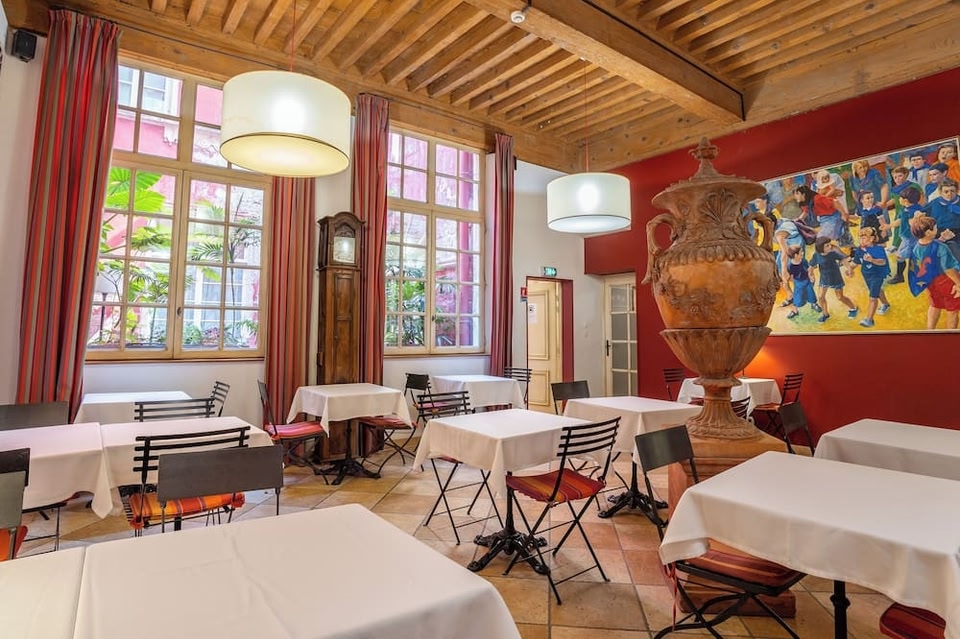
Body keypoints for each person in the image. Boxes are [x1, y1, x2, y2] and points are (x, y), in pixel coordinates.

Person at [908, 215, 960, 330]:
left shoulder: (916, 247)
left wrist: (941, 239)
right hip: (946, 281)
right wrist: (958, 283)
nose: (937, 229)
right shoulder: (942, 248)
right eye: (935, 228)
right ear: (928, 232)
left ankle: (929, 331)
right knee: (952, 310)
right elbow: (948, 269)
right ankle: (950, 336)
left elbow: (928, 254)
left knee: (935, 305)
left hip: (930, 282)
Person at [847, 226, 891, 328]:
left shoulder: (878, 249)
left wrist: (872, 260)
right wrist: (850, 269)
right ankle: (886, 304)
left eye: (863, 238)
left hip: (877, 275)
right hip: (867, 275)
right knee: (877, 291)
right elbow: (856, 262)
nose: (861, 241)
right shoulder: (860, 250)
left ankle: (869, 320)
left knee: (872, 298)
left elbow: (883, 262)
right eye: (860, 238)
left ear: (871, 239)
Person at [809, 236, 857, 323]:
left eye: (830, 244)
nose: (830, 246)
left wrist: (849, 269)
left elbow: (843, 260)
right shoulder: (816, 255)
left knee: (840, 297)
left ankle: (853, 308)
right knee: (820, 296)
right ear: (821, 248)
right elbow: (811, 265)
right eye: (827, 245)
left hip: (835, 278)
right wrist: (811, 274)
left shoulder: (833, 254)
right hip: (824, 278)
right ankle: (825, 314)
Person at [889, 185, 925, 284]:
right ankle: (915, 276)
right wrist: (889, 226)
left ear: (905, 200)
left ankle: (900, 276)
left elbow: (913, 222)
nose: (899, 199)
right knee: (914, 256)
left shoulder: (915, 211)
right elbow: (900, 220)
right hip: (907, 237)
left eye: (900, 198)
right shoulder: (905, 208)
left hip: (910, 238)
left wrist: (914, 220)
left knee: (901, 256)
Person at [924, 178, 960, 261]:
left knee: (955, 249)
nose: (949, 194)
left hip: (958, 232)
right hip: (938, 232)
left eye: (952, 191)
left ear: (957, 191)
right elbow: (924, 216)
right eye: (946, 191)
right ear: (940, 192)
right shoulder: (934, 203)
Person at [783, 246, 820, 319]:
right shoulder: (790, 266)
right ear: (795, 255)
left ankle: (814, 304)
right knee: (797, 297)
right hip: (798, 283)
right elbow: (790, 276)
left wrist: (811, 276)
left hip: (807, 280)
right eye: (801, 252)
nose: (802, 253)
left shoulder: (803, 261)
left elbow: (808, 269)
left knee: (811, 293)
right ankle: (795, 311)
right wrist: (793, 281)